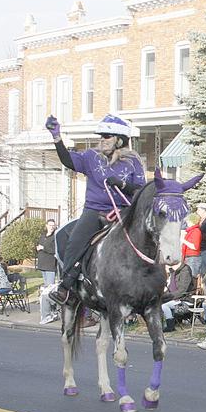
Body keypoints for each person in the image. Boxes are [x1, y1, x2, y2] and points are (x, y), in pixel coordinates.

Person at [45, 114, 145, 305]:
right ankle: (67, 286)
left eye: (106, 136)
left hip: (122, 213)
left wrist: (122, 184)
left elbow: (140, 189)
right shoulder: (91, 157)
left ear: (119, 139)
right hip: (93, 211)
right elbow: (67, 160)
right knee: (72, 240)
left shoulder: (134, 162)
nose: (102, 140)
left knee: (147, 238)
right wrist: (57, 138)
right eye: (101, 137)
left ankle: (152, 287)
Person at [181, 212, 203, 285]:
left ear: (192, 221)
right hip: (189, 256)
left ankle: (192, 291)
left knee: (192, 276)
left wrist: (183, 240)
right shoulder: (191, 231)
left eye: (188, 221)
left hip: (193, 257)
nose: (187, 223)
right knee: (188, 276)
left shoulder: (196, 231)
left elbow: (195, 246)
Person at [36, 219, 59, 287]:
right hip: (42, 264)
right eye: (50, 225)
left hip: (50, 265)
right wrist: (37, 248)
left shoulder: (55, 236)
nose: (51, 227)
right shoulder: (42, 236)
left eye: (53, 225)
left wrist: (43, 248)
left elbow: (55, 250)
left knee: (50, 286)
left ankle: (50, 297)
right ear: (46, 226)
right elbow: (38, 245)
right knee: (46, 286)